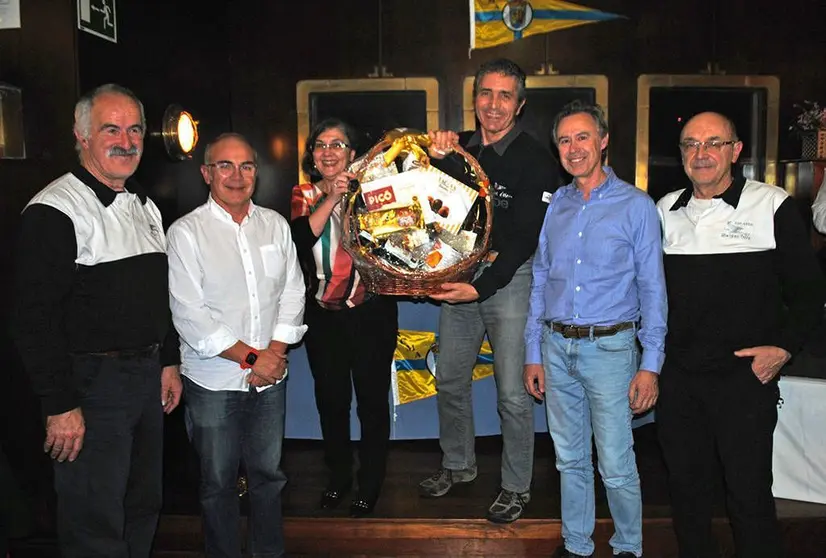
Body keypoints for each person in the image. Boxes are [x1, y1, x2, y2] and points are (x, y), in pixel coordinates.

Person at [12, 83, 182, 558]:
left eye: (134, 130)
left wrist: (167, 362)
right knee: (94, 517)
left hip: (146, 378)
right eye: (111, 129)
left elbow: (157, 298)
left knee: (141, 504)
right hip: (91, 385)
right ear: (81, 136)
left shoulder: (145, 205)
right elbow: (32, 319)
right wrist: (59, 403)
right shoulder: (54, 211)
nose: (125, 142)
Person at [656, 112, 826, 558]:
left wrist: (784, 348)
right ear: (681, 156)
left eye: (714, 142)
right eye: (691, 144)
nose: (702, 153)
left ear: (736, 151)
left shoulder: (772, 205)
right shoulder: (663, 211)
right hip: (679, 379)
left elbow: (810, 292)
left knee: (749, 496)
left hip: (744, 380)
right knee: (686, 495)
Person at [522, 101, 667, 558]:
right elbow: (541, 278)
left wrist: (651, 364)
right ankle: (577, 544)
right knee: (569, 460)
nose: (573, 148)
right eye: (564, 140)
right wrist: (532, 351)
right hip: (555, 346)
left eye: (582, 137)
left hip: (611, 349)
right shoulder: (558, 205)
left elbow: (652, 287)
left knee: (617, 463)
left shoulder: (636, 206)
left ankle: (628, 547)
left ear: (604, 141)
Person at [418, 58, 559, 524]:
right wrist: (431, 155)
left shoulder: (537, 160)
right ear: (474, 98)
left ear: (519, 105)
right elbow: (429, 208)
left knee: (513, 394)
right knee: (450, 380)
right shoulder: (458, 151)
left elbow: (522, 242)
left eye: (504, 96)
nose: (493, 105)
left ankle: (516, 486)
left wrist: (480, 289)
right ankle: (458, 465)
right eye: (486, 94)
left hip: (508, 280)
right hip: (461, 277)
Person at [167, 133, 306, 558]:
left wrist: (275, 355)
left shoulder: (276, 225)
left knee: (269, 476)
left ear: (256, 174)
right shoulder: (187, 233)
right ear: (206, 173)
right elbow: (190, 316)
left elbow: (293, 293)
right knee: (217, 484)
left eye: (246, 165)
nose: (236, 175)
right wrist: (254, 357)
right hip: (213, 382)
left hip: (269, 380)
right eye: (224, 166)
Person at [290, 118, 399, 517]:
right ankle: (338, 477)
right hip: (324, 316)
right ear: (312, 155)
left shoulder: (378, 191)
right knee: (331, 402)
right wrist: (331, 198)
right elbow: (301, 239)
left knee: (371, 404)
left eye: (338, 144)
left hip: (371, 313)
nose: (329, 151)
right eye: (320, 145)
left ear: (353, 154)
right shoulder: (304, 193)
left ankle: (370, 483)